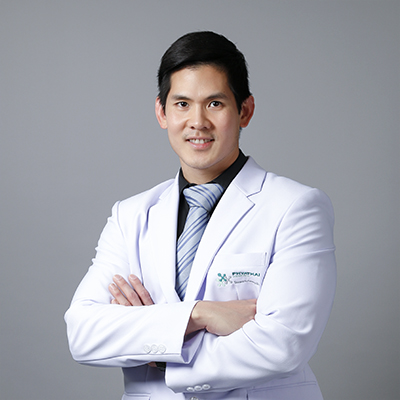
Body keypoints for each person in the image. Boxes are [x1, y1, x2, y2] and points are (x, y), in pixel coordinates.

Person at [65, 31, 336, 400]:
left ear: (245, 111)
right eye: (182, 104)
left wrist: (159, 351)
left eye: (215, 104)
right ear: (161, 112)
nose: (197, 122)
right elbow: (83, 333)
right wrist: (197, 315)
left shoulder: (296, 207)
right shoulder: (130, 216)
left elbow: (283, 345)